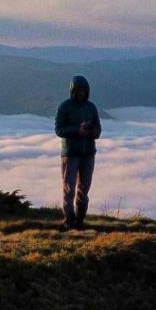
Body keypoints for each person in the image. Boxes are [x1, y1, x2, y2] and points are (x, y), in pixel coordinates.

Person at [53, 75, 102, 229]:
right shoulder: (64, 107)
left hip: (88, 153)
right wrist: (77, 130)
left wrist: (93, 131)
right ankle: (69, 220)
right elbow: (59, 129)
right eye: (78, 90)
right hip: (70, 153)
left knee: (84, 189)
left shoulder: (91, 107)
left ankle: (80, 220)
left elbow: (98, 129)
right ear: (73, 91)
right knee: (69, 188)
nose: (81, 93)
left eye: (83, 90)